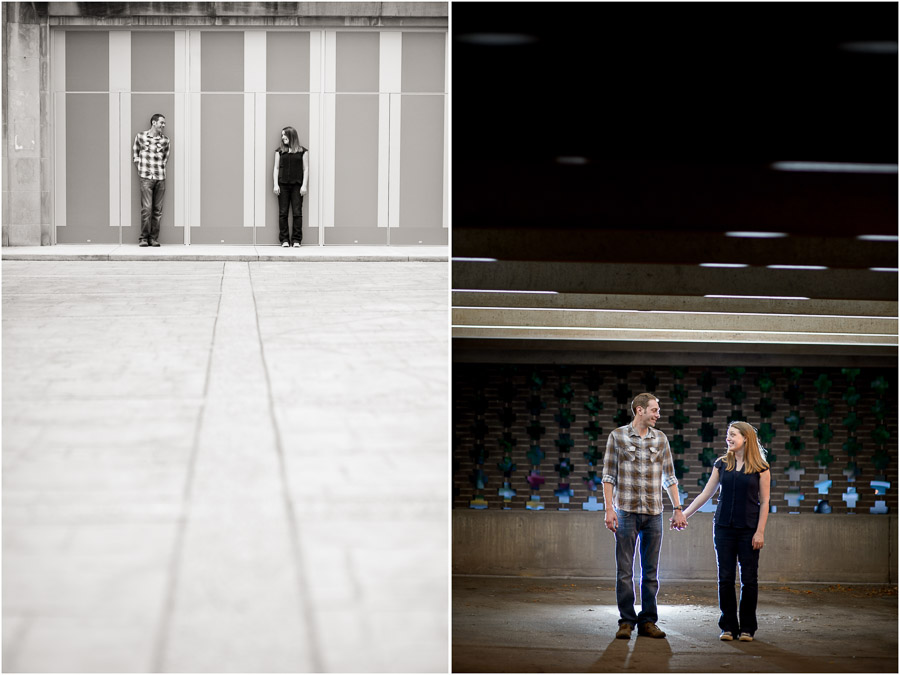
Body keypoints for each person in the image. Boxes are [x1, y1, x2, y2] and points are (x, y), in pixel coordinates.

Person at [676, 421, 771, 642]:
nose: (728, 438)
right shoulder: (721, 464)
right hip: (723, 528)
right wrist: (684, 514)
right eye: (728, 435)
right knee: (725, 578)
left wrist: (760, 531)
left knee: (749, 579)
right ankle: (728, 626)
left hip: (749, 529)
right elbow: (706, 494)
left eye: (733, 435)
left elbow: (765, 502)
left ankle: (747, 628)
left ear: (746, 438)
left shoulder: (761, 467)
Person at [602, 393, 686, 640]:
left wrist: (678, 508)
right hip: (626, 512)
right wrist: (609, 509)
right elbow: (608, 476)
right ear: (640, 410)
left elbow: (669, 477)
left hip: (654, 514)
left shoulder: (660, 439)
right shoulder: (617, 436)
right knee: (624, 571)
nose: (658, 415)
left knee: (650, 572)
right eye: (655, 410)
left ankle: (648, 621)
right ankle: (626, 621)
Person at [132, 113, 170, 247]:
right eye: (161, 122)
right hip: (146, 178)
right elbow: (135, 154)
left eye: (164, 123)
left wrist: (159, 167)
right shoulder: (141, 136)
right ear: (154, 123)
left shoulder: (165, 140)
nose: (163, 125)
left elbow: (165, 157)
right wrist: (141, 167)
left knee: (157, 211)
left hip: (160, 177)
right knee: (146, 209)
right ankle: (143, 238)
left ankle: (153, 239)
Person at [273, 127, 309, 247]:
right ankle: (284, 240)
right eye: (282, 135)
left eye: (285, 135)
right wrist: (275, 184)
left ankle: (296, 240)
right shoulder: (279, 151)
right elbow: (276, 168)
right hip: (282, 186)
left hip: (297, 186)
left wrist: (304, 185)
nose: (283, 137)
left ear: (292, 135)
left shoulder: (302, 151)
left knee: (297, 213)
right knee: (283, 213)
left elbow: (306, 169)